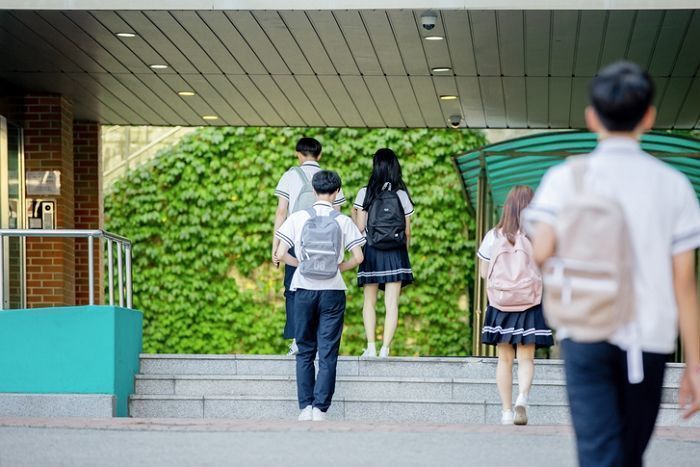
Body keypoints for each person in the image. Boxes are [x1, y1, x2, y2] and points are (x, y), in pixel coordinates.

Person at [524, 61, 700, 466]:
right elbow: (684, 282)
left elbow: (541, 251)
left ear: (592, 117)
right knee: (628, 454)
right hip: (649, 337)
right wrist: (694, 363)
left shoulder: (565, 178)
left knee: (599, 452)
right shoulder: (672, 184)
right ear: (649, 117)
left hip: (584, 327)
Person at [274, 170, 365, 421]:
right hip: (333, 292)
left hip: (302, 289)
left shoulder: (298, 217)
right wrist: (338, 268)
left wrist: (300, 264)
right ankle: (320, 409)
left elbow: (281, 254)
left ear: (314, 191)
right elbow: (358, 258)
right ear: (336, 193)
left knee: (304, 350)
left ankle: (305, 407)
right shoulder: (343, 220)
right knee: (327, 352)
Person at [477, 185, 553, 425]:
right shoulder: (538, 236)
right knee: (526, 358)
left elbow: (483, 272)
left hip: (501, 303)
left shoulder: (493, 235)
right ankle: (522, 398)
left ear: (507, 208)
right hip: (529, 301)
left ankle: (507, 412)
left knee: (504, 359)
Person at [272, 137, 346, 356]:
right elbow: (338, 214)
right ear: (319, 155)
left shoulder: (289, 176)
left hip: (295, 240)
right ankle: (317, 338)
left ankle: (298, 340)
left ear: (298, 154)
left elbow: (281, 212)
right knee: (324, 288)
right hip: (325, 241)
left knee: (294, 290)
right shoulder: (330, 178)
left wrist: (276, 246)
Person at [352, 148, 414, 358]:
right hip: (396, 253)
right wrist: (404, 255)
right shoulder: (401, 194)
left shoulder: (365, 192)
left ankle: (370, 347)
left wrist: (354, 215)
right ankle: (385, 349)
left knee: (369, 302)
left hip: (371, 251)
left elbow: (360, 228)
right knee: (391, 304)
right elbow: (407, 231)